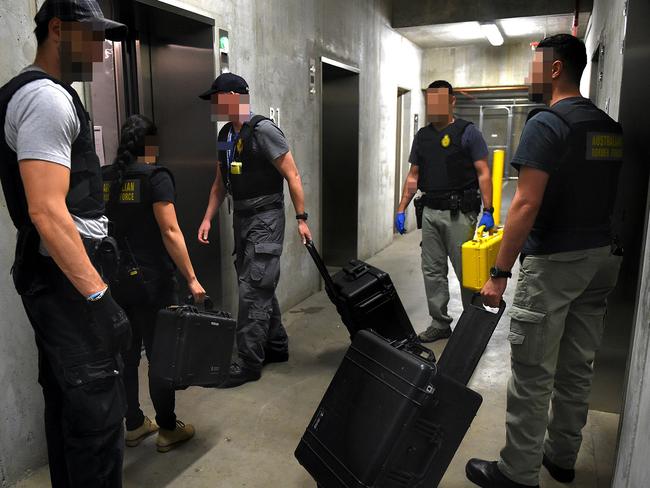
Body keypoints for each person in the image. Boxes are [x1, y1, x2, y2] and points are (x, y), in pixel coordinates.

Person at [466, 34, 624, 488]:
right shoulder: (608, 127)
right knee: (577, 366)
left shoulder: (548, 123)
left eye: (534, 66)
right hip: (601, 259)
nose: (528, 75)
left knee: (534, 371)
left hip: (556, 261)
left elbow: (524, 204)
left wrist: (498, 273)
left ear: (554, 69)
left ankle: (517, 473)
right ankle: (562, 456)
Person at [0, 1, 130, 486]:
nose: (99, 49)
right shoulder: (47, 100)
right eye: (91, 36)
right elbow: (47, 211)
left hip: (56, 278)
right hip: (68, 284)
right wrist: (99, 297)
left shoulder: (35, 94)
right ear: (57, 29)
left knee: (70, 405)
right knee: (96, 417)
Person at [197, 73, 312, 387]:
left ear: (235, 96)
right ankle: (275, 345)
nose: (215, 104)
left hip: (266, 216)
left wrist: (301, 218)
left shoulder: (263, 130)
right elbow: (221, 183)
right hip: (242, 217)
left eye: (217, 97)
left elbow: (293, 175)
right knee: (255, 283)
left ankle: (248, 362)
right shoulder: (225, 135)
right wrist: (208, 217)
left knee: (253, 288)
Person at [102, 115, 207, 453]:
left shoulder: (105, 178)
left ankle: (133, 424)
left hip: (116, 284)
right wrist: (192, 278)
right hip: (153, 284)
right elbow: (170, 231)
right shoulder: (155, 177)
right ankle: (166, 428)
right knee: (161, 356)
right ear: (149, 145)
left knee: (127, 357)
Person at [395, 80, 494, 343]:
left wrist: (489, 209)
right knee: (432, 270)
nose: (434, 105)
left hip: (460, 213)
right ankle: (440, 323)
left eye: (440, 99)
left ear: (452, 101)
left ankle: (473, 326)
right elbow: (414, 175)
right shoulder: (423, 136)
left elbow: (484, 172)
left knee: (466, 272)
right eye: (430, 100)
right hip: (429, 212)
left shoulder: (468, 132)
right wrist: (402, 207)